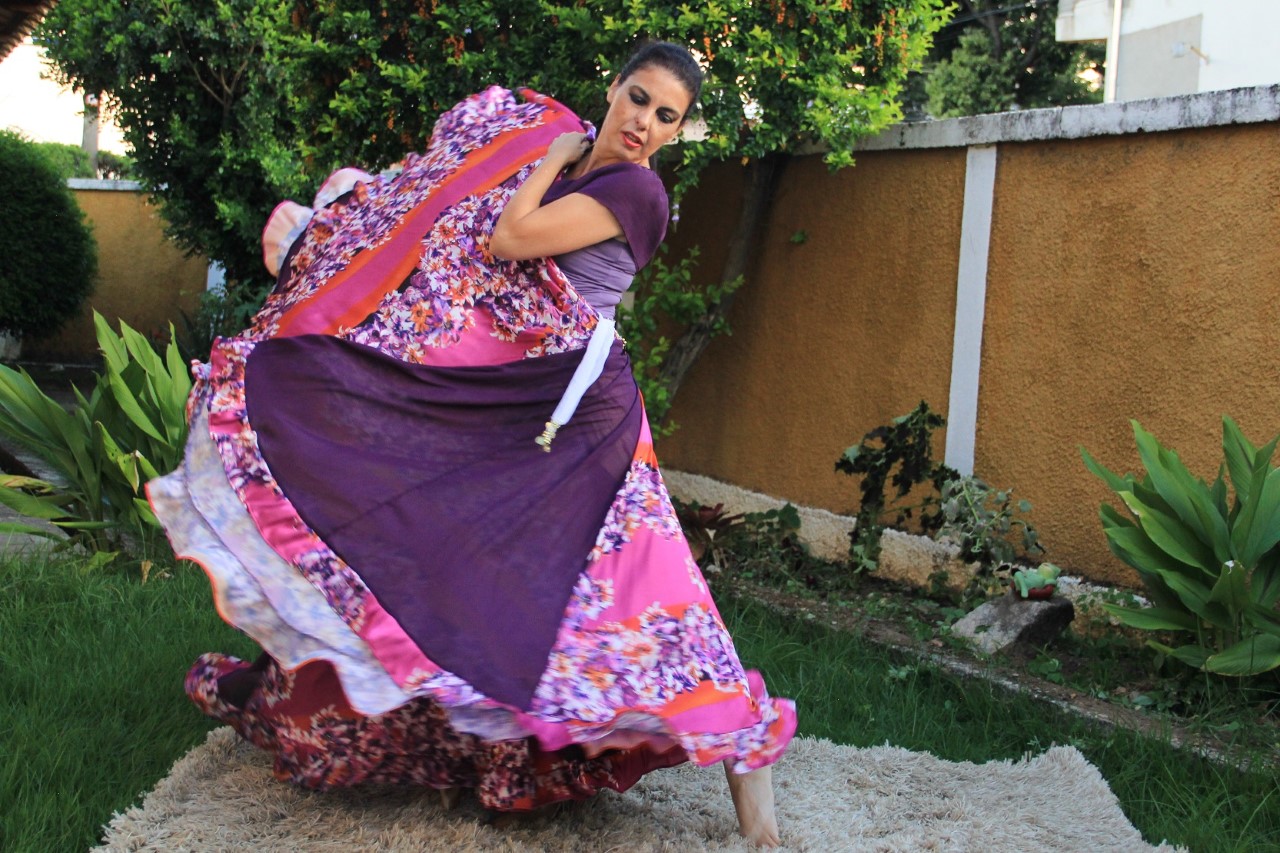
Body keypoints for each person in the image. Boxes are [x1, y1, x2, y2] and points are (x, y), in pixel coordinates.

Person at [148, 41, 793, 847]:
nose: (644, 124)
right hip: (525, 404)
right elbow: (458, 215)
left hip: (584, 421)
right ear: (613, 85)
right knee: (479, 570)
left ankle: (759, 812)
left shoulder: (635, 190)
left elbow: (508, 240)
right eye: (638, 99)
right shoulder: (574, 163)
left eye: (667, 116)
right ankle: (472, 734)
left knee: (647, 594)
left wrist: (553, 155)